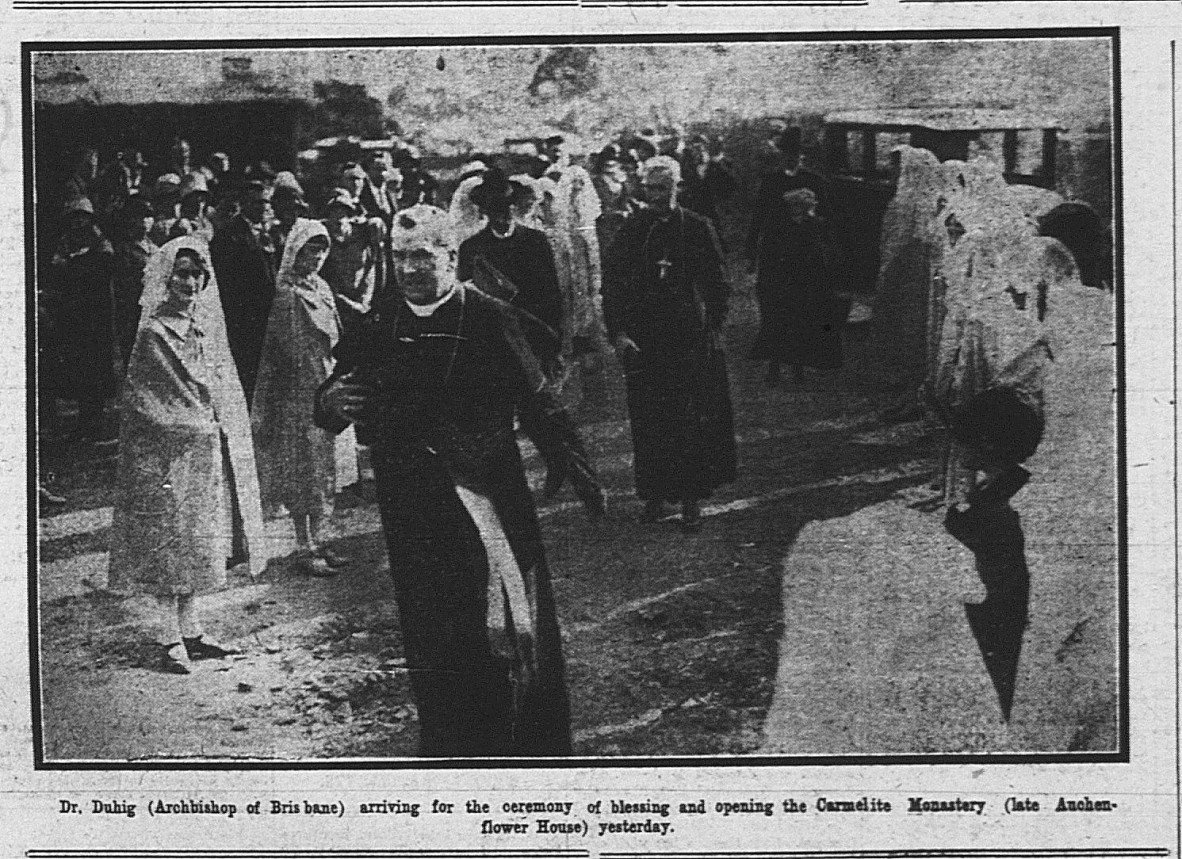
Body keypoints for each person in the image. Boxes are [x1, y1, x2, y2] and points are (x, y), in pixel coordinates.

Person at [314, 204, 602, 756]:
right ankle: (450, 743)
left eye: (423, 256)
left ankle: (525, 746)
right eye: (400, 257)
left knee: (505, 618)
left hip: (488, 495)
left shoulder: (489, 316)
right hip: (411, 505)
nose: (410, 268)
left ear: (450, 257)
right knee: (431, 622)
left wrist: (576, 467)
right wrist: (328, 403)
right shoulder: (382, 320)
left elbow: (539, 399)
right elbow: (333, 398)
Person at [108, 236, 271, 675]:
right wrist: (194, 425)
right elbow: (146, 402)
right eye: (182, 273)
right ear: (167, 277)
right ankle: (167, 635)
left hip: (202, 451)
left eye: (198, 274)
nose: (191, 282)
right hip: (166, 457)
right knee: (170, 540)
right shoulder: (153, 333)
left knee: (199, 540)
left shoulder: (204, 327)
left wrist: (222, 424)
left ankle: (192, 628)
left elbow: (217, 387)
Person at [603, 156, 737, 532]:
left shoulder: (696, 227)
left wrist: (714, 327)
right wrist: (619, 333)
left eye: (663, 188)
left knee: (690, 419)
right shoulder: (632, 229)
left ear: (678, 187)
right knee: (650, 420)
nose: (656, 196)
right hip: (645, 340)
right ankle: (655, 496)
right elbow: (612, 284)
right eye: (650, 189)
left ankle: (692, 499)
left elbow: (718, 283)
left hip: (688, 338)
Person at [252, 219, 357, 578]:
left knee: (326, 466)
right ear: (295, 251)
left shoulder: (322, 288)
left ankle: (320, 536)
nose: (316, 256)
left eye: (322, 249)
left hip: (326, 383)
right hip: (298, 391)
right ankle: (302, 544)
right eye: (310, 248)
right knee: (303, 468)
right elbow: (284, 351)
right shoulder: (287, 294)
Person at [458, 171, 563, 371]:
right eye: (494, 210)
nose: (502, 216)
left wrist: (553, 342)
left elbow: (552, 293)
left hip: (533, 332)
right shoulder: (471, 248)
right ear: (484, 212)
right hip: (491, 339)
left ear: (514, 206)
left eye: (506, 208)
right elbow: (467, 301)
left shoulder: (536, 241)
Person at [748, 187, 842, 385]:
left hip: (804, 284)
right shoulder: (777, 227)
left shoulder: (815, 226)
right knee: (778, 325)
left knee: (801, 326)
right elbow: (767, 257)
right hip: (781, 284)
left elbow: (822, 255)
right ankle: (775, 370)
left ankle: (797, 369)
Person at [45, 197, 117, 441]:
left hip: (95, 314)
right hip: (74, 314)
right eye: (74, 217)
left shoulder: (100, 241)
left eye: (83, 217)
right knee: (78, 371)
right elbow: (57, 266)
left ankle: (94, 424)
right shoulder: (66, 242)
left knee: (94, 370)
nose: (78, 222)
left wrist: (76, 264)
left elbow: (101, 268)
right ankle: (83, 425)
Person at [210, 180, 278, 403]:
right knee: (246, 372)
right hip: (243, 317)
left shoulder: (270, 233)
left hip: (267, 315)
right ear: (244, 204)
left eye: (266, 202)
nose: (263, 207)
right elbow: (225, 280)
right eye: (257, 203)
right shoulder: (229, 234)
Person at [321, 189, 384, 338]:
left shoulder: (365, 233)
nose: (337, 220)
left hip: (364, 304)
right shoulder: (321, 235)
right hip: (335, 307)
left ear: (350, 216)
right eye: (333, 213)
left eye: (342, 213)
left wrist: (373, 303)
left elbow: (378, 266)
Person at [111, 196, 158, 367]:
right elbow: (123, 284)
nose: (145, 221)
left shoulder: (154, 247)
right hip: (132, 308)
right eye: (140, 216)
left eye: (148, 216)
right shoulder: (125, 249)